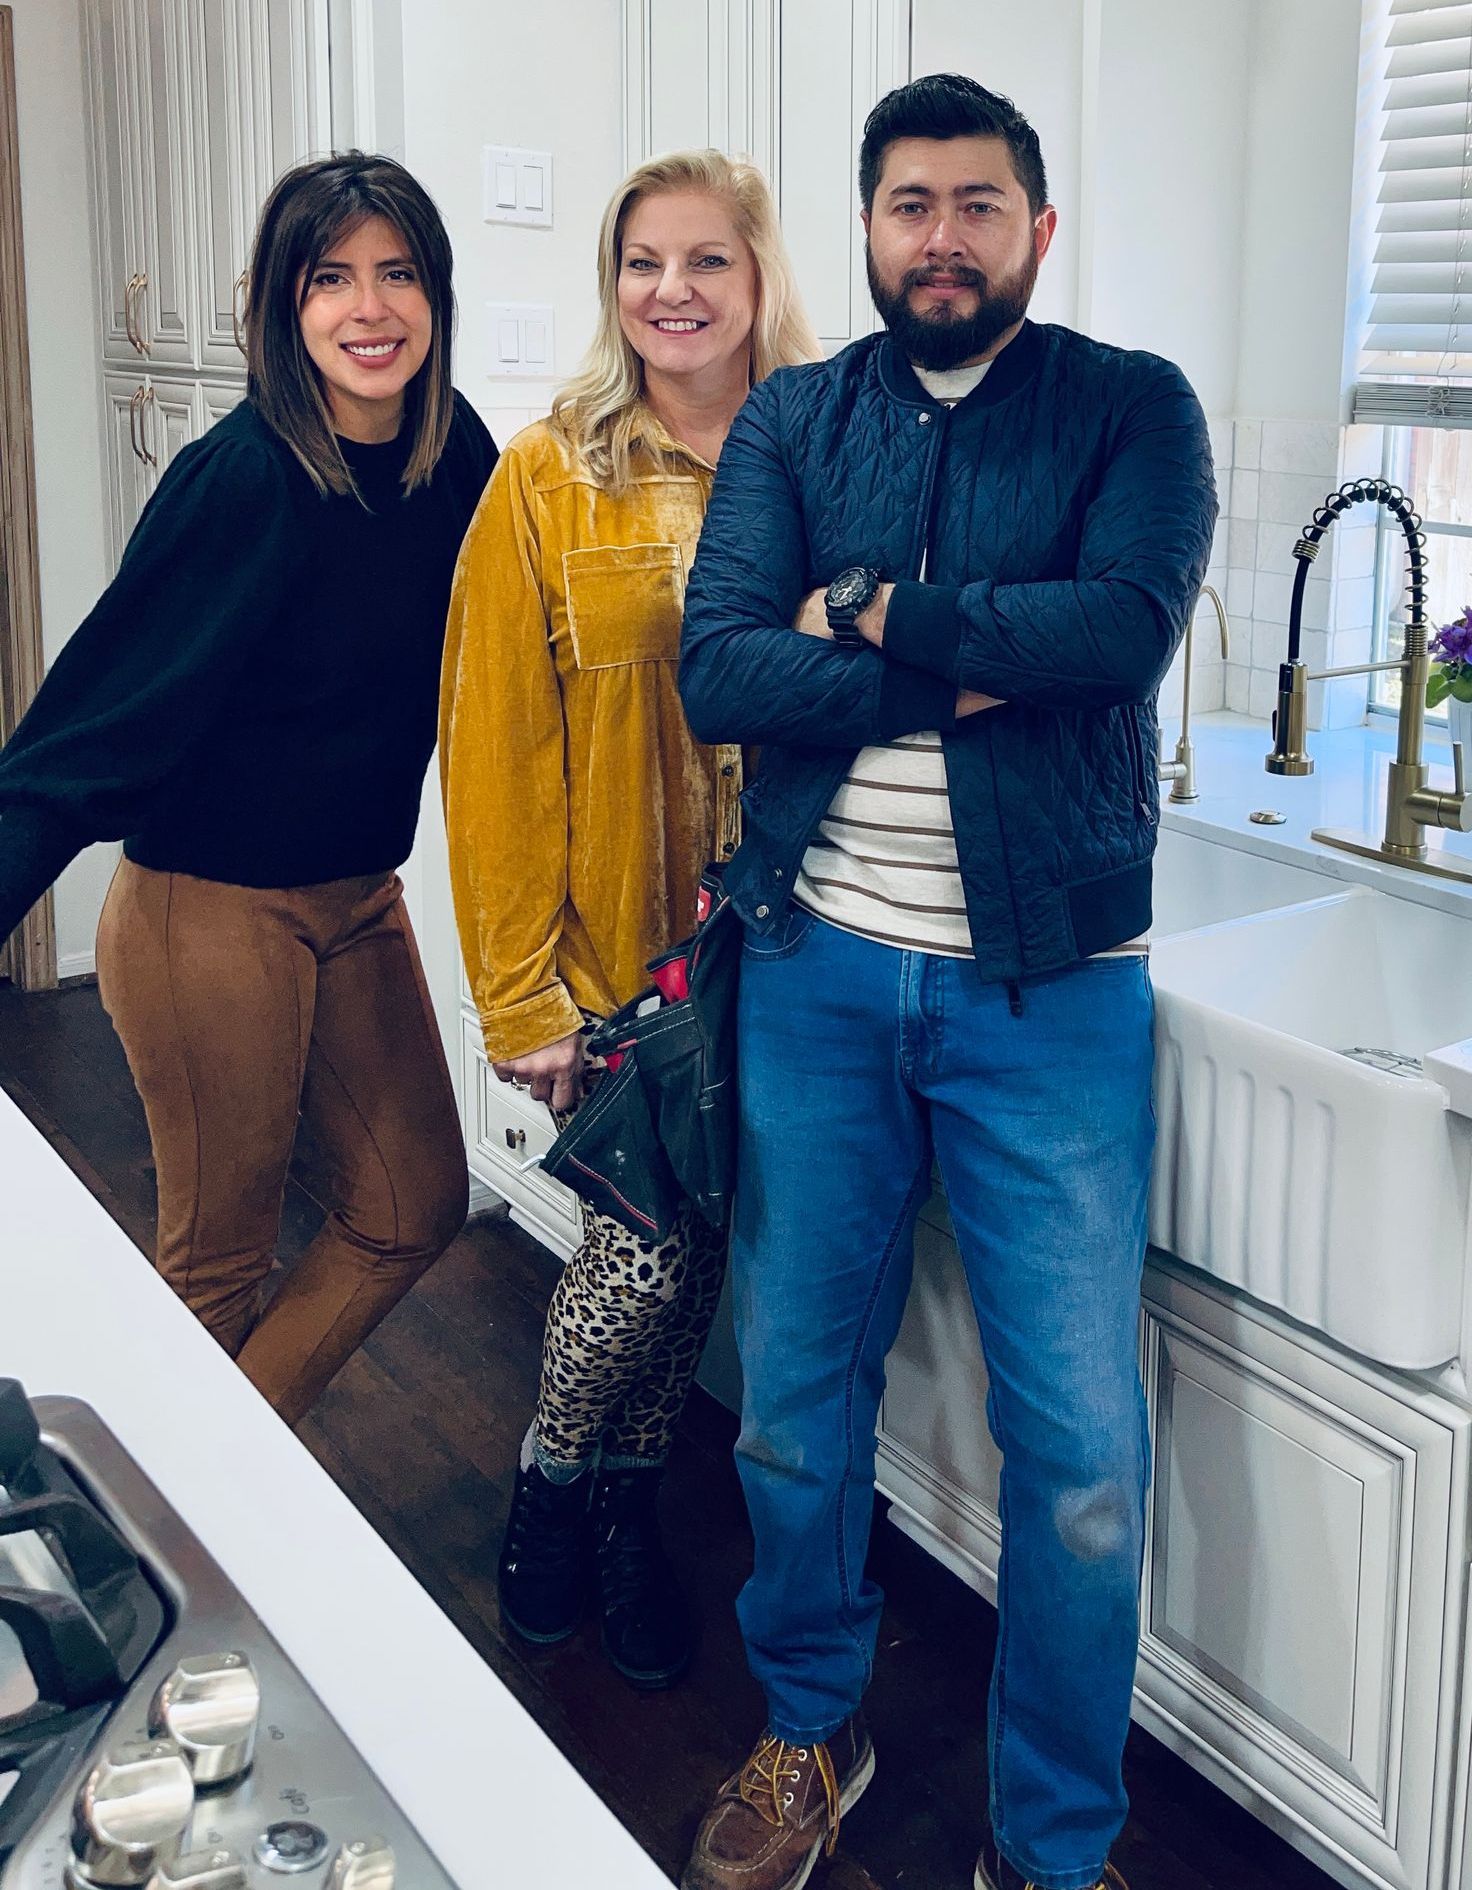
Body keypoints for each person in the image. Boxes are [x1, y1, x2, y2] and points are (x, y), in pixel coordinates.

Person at [676, 74, 1216, 1890]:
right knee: (789, 1395)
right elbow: (725, 676)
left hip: (1046, 990)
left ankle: (1051, 1846)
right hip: (817, 968)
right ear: (868, 228)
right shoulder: (789, 423)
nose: (942, 238)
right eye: (909, 206)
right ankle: (808, 1722)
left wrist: (882, 611)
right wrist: (985, 657)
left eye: (978, 206)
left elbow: (1122, 631)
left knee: (1072, 1453)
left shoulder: (1129, 410)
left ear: (1035, 232)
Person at [0, 154, 497, 1426]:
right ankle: (166, 1547)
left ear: (436, 297)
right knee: (216, 1272)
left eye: (396, 274)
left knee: (410, 1205)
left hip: (354, 895)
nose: (368, 307)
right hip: (205, 912)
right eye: (330, 277)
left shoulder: (458, 462)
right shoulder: (244, 481)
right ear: (282, 306)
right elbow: (79, 737)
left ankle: (223, 1499)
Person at [439, 150, 818, 1686]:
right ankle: (551, 1485)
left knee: (701, 1251)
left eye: (705, 260)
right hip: (618, 951)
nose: (672, 290)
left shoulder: (816, 460)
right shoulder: (548, 470)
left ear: (756, 276)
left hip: (787, 946)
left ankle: (620, 1513)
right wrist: (519, 998)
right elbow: (494, 748)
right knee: (640, 1254)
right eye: (641, 260)